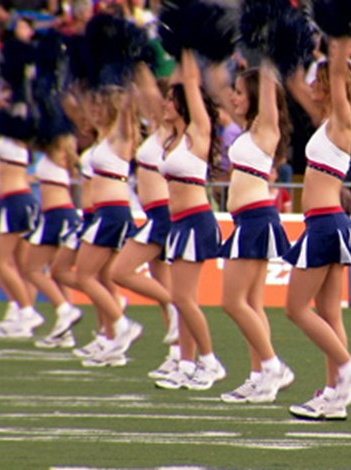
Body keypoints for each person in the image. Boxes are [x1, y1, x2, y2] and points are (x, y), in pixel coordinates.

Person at [282, 36, 351, 420]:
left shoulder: (341, 119)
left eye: (318, 79)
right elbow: (293, 83)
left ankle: (350, 369)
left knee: (295, 308)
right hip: (329, 223)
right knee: (329, 313)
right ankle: (335, 395)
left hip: (325, 225)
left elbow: (337, 73)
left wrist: (337, 38)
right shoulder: (326, 122)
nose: (312, 85)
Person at [217, 64, 295, 403]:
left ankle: (273, 365)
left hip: (256, 219)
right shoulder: (248, 130)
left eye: (239, 91)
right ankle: (259, 376)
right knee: (251, 303)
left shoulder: (266, 127)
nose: (234, 97)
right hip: (247, 220)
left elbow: (268, 84)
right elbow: (216, 86)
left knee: (232, 302)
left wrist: (264, 55)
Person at [154, 49, 226, 390]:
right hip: (179, 223)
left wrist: (186, 49)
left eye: (171, 99)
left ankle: (209, 362)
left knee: (183, 298)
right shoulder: (172, 137)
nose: (165, 104)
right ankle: (185, 364)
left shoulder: (198, 132)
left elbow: (192, 82)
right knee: (181, 298)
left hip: (197, 220)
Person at [110, 64, 179, 378]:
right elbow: (138, 98)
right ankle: (177, 356)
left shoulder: (167, 130)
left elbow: (149, 93)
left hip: (163, 213)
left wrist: (136, 61)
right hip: (155, 213)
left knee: (120, 272)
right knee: (163, 287)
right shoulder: (154, 132)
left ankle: (177, 306)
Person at [74, 85, 143, 368]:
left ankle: (122, 324)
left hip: (112, 213)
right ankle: (113, 344)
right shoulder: (103, 136)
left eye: (100, 105)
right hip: (103, 212)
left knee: (84, 276)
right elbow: (82, 109)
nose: (94, 110)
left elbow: (127, 110)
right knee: (101, 277)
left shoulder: (121, 135)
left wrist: (127, 84)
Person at [0, 112, 43, 338]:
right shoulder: (6, 142)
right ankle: (18, 308)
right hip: (7, 201)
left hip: (17, 201)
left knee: (1, 262)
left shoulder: (15, 140)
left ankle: (26, 311)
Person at [23, 133, 83, 349]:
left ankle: (65, 310)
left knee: (31, 269)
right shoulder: (56, 154)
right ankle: (64, 332)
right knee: (56, 274)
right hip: (58, 214)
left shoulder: (56, 152)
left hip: (57, 215)